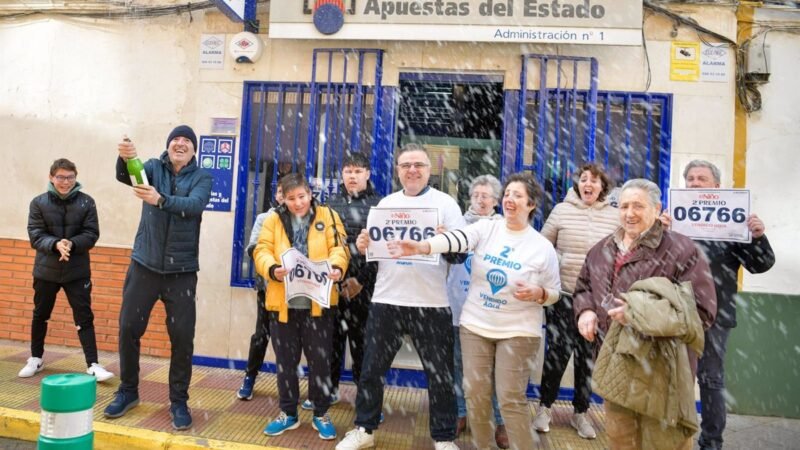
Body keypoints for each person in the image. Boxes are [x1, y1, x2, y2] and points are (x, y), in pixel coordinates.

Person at [388, 172, 561, 450]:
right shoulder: (487, 228)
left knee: (509, 398)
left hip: (519, 331)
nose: (510, 200)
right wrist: (422, 246)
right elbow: (456, 239)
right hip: (475, 325)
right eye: (507, 194)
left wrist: (539, 293)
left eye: (517, 195)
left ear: (531, 204)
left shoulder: (542, 247)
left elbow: (554, 292)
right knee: (476, 396)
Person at [336, 143, 465, 450]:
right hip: (387, 300)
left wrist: (446, 241)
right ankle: (365, 430)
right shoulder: (385, 205)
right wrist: (365, 244)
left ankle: (443, 437)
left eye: (418, 165)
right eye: (406, 165)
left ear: (429, 169)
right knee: (371, 370)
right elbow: (373, 253)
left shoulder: (446, 204)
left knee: (441, 377)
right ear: (397, 171)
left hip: (431, 303)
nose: (412, 170)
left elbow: (461, 254)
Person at [573, 178, 717, 449]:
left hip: (662, 371)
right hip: (616, 364)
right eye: (624, 206)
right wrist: (586, 311)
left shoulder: (682, 249)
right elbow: (583, 287)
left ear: (656, 208)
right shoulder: (602, 248)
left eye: (638, 206)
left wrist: (638, 313)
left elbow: (701, 311)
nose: (629, 213)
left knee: (666, 444)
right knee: (620, 440)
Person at [103, 126, 213, 431]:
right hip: (145, 266)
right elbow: (127, 177)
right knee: (128, 329)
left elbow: (194, 206)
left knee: (182, 338)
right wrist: (125, 159)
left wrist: (160, 199)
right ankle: (128, 391)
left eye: (187, 141)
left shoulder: (201, 177)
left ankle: (178, 401)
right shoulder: (152, 167)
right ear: (169, 145)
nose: (181, 143)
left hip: (182, 272)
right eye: (176, 139)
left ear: (193, 150)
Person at [665, 160, 775, 450]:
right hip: (676, 313)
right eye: (690, 179)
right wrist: (658, 231)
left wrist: (758, 236)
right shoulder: (674, 222)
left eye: (702, 178)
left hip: (716, 315)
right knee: (676, 378)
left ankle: (711, 442)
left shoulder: (734, 223)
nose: (695, 183)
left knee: (711, 380)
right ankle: (675, 438)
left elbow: (761, 264)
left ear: (716, 186)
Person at [254, 173, 348, 441]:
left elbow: (340, 248)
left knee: (320, 362)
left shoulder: (328, 216)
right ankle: (288, 414)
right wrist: (272, 269)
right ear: (283, 197)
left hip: (318, 304)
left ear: (310, 194)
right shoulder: (272, 219)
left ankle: (321, 413)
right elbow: (261, 250)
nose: (298, 203)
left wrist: (338, 267)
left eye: (302, 197)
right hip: (283, 303)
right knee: (285, 363)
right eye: (292, 198)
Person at [534, 163, 619, 439]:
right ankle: (544, 408)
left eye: (594, 180)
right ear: (578, 184)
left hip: (597, 302)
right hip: (564, 297)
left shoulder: (615, 216)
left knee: (587, 361)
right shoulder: (561, 210)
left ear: (603, 186)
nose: (588, 184)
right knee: (556, 357)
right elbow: (542, 247)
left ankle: (580, 414)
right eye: (584, 179)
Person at [301, 153, 381, 411]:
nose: (352, 176)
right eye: (348, 171)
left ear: (367, 174)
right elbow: (324, 245)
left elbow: (380, 251)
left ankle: (366, 403)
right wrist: (339, 279)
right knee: (330, 344)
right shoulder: (330, 205)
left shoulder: (380, 205)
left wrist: (360, 280)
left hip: (365, 290)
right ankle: (327, 392)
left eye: (358, 171)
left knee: (363, 348)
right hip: (333, 286)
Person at [21, 158, 113, 382]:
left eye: (70, 177)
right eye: (61, 177)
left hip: (77, 271)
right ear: (51, 177)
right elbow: (35, 234)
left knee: (84, 317)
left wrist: (70, 244)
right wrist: (55, 244)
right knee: (40, 315)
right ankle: (35, 358)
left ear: (76, 178)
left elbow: (91, 233)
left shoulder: (86, 202)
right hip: (46, 271)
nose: (65, 182)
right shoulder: (38, 203)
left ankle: (92, 364)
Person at [445, 174, 508, 448]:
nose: (480, 200)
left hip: (493, 311)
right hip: (460, 307)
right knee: (459, 365)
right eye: (476, 195)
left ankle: (499, 420)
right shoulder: (458, 225)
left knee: (495, 370)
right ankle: (460, 413)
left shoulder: (505, 228)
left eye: (486, 196)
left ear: (496, 200)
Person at [237, 183, 284, 400]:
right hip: (268, 287)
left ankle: (290, 388)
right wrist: (272, 257)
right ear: (276, 194)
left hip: (294, 291)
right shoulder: (264, 218)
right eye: (282, 193)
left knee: (290, 339)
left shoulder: (304, 218)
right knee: (261, 334)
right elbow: (252, 248)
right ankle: (250, 377)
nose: (285, 198)